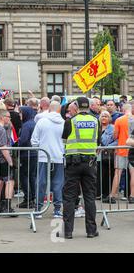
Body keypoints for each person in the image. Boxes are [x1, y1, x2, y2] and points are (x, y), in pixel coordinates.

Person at [62, 97, 101, 239]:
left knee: (70, 198)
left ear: (77, 107)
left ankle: (68, 231)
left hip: (73, 163)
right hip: (90, 163)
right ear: (89, 107)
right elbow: (98, 141)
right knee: (89, 197)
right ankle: (91, 231)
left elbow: (65, 141)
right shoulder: (96, 121)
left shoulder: (70, 121)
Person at [31, 101, 65, 218]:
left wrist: (40, 151)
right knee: (58, 183)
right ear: (59, 110)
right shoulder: (64, 123)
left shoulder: (42, 122)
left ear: (49, 109)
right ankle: (57, 209)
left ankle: (38, 208)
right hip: (59, 157)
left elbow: (34, 140)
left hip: (44, 156)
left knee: (41, 183)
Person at [107, 103, 134, 203]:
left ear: (123, 110)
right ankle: (132, 196)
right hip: (132, 150)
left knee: (117, 173)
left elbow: (115, 136)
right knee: (133, 174)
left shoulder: (119, 120)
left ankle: (112, 196)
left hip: (121, 149)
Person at [0, 109, 15, 214]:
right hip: (2, 159)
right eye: (8, 117)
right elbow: (3, 147)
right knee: (9, 181)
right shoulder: (1, 130)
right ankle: (8, 207)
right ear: (3, 117)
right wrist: (10, 161)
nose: (9, 119)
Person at [18, 105, 37, 209]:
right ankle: (32, 198)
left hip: (26, 153)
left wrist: (17, 144)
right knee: (32, 176)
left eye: (21, 113)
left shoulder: (26, 125)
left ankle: (28, 198)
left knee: (24, 176)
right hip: (33, 153)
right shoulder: (33, 123)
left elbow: (24, 139)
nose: (19, 115)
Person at [97, 111, 117, 201]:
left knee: (107, 175)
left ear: (109, 118)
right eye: (102, 116)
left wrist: (107, 147)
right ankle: (98, 193)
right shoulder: (96, 127)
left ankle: (106, 193)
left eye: (106, 116)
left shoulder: (113, 128)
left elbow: (117, 140)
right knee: (98, 174)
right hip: (97, 154)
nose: (104, 118)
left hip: (108, 155)